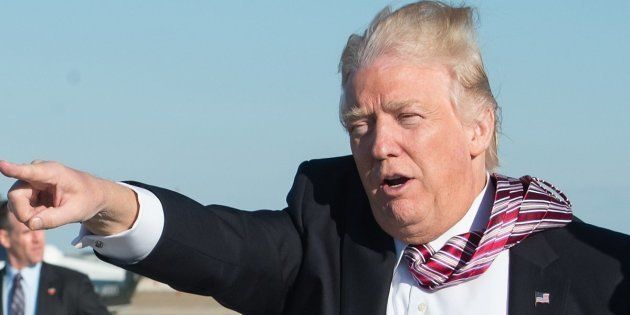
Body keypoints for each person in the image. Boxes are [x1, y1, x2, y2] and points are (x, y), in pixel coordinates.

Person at [1, 1, 629, 314]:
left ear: (478, 128)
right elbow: (228, 248)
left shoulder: (598, 276)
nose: (378, 144)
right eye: (360, 123)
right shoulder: (330, 229)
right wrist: (107, 201)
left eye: (408, 116)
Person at [0, 201, 110, 315]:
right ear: (5, 238)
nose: (37, 239)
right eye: (27, 232)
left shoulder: (74, 285)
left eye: (39, 228)